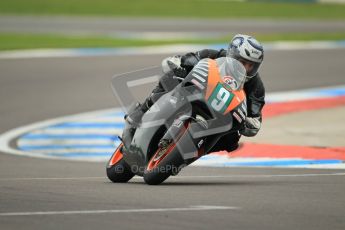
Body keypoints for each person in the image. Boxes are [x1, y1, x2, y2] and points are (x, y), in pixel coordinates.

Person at [125, 34, 265, 152]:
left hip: (221, 115)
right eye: (242, 62)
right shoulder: (212, 55)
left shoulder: (256, 87)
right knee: (173, 78)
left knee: (232, 142)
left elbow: (255, 119)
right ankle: (142, 110)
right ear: (231, 55)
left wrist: (249, 123)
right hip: (193, 93)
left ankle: (193, 151)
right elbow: (182, 61)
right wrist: (177, 65)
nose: (246, 68)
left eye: (251, 65)